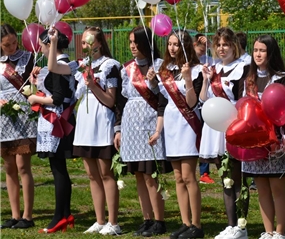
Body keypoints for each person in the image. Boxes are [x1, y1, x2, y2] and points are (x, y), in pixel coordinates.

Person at [47, 26, 122, 235]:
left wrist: (93, 84)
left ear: (98, 43)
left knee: (106, 172)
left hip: (102, 120)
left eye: (88, 42)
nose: (84, 46)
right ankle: (99, 220)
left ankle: (113, 222)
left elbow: (110, 100)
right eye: (82, 42)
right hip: (86, 122)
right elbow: (53, 66)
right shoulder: (81, 65)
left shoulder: (111, 65)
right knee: (91, 174)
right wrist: (53, 42)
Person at [242, 35, 285, 239]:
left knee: (277, 186)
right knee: (261, 186)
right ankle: (268, 230)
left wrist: (284, 138)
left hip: (276, 140)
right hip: (254, 139)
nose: (257, 54)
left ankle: (280, 231)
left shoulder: (282, 77)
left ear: (270, 53)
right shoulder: (248, 78)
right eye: (255, 50)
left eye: (262, 50)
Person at [116, 26, 167, 237]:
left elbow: (163, 97)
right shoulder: (127, 68)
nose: (132, 46)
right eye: (130, 42)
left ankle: (159, 220)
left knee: (150, 175)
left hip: (150, 119)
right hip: (131, 121)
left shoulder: (159, 65)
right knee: (138, 174)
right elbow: (121, 99)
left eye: (136, 42)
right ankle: (146, 218)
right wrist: (118, 128)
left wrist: (154, 82)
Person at [199, 27, 249, 239]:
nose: (221, 49)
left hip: (234, 126)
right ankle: (230, 225)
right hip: (215, 128)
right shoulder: (212, 69)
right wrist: (204, 80)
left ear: (234, 46)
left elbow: (243, 99)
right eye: (218, 45)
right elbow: (203, 99)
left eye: (225, 44)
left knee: (238, 177)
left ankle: (241, 225)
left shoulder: (242, 68)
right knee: (225, 177)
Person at [27, 29, 76, 233]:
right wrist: (33, 84)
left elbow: (56, 98)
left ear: (50, 44)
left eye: (41, 44)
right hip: (55, 120)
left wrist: (35, 99)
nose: (40, 48)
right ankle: (64, 214)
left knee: (58, 170)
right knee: (58, 168)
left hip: (58, 121)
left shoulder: (59, 66)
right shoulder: (58, 66)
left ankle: (59, 215)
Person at [157, 31, 204, 238]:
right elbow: (161, 101)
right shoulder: (166, 70)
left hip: (188, 123)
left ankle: (197, 224)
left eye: (177, 45)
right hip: (172, 123)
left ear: (185, 47)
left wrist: (187, 80)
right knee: (177, 177)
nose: (172, 48)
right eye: (170, 44)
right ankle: (185, 223)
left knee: (188, 176)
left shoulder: (196, 70)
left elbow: (192, 103)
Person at [0, 24, 37, 230]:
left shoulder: (28, 58)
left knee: (23, 166)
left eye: (14, 42)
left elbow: (36, 86)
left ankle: (27, 215)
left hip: (24, 118)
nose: (12, 47)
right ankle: (14, 215)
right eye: (7, 45)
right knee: (9, 167)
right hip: (3, 120)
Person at [193, 33, 215, 185]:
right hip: (192, 102)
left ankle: (206, 171)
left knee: (205, 136)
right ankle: (202, 170)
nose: (202, 50)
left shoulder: (210, 60)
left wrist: (211, 43)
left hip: (207, 102)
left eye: (204, 48)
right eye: (199, 47)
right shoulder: (189, 60)